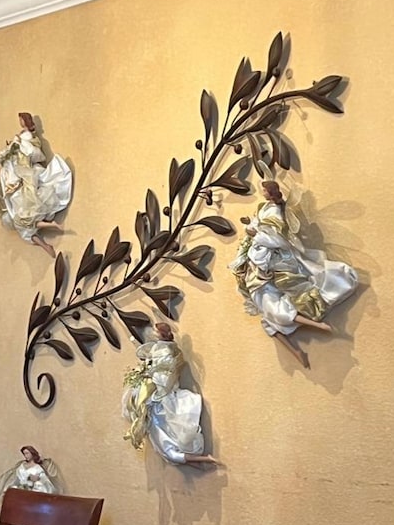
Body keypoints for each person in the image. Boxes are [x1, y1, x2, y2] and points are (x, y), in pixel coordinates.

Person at [229, 180, 358, 367]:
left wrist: (254, 234)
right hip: (258, 266)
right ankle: (298, 350)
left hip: (269, 262)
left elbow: (280, 240)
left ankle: (316, 326)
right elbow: (258, 225)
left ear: (271, 192)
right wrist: (251, 228)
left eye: (264, 190)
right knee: (269, 319)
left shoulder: (277, 213)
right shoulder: (263, 207)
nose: (262, 192)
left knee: (273, 314)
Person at [122, 322, 217, 467]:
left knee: (167, 444)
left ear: (161, 334)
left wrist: (150, 378)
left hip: (160, 397)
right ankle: (197, 461)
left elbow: (164, 378)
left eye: (155, 332)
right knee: (167, 444)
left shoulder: (165, 352)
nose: (152, 334)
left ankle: (200, 460)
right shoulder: (161, 349)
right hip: (158, 397)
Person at [0, 112, 72, 257]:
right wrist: (12, 149)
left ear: (26, 121)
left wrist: (21, 146)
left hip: (28, 176)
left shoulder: (29, 139)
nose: (20, 122)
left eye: (21, 120)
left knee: (24, 219)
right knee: (22, 222)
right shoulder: (20, 136)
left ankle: (46, 243)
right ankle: (46, 244)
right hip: (20, 179)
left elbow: (38, 154)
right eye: (20, 120)